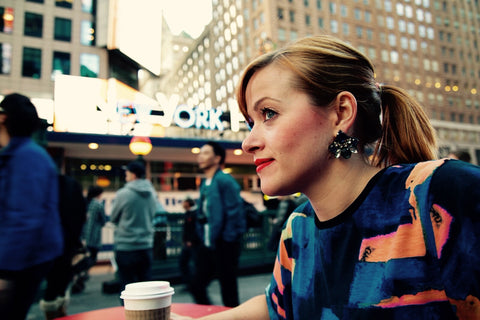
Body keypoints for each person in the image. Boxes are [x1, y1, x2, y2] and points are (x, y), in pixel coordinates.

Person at [171, 35, 480, 319]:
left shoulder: (440, 194)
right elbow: (275, 306)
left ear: (341, 113)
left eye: (268, 113)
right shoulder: (298, 229)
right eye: (250, 122)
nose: (248, 142)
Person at [0, 93, 64, 320]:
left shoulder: (27, 158)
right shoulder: (23, 156)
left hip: (21, 264)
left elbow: (24, 219)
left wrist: (6, 273)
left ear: (3, 119)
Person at [190, 141, 246, 307]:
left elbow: (234, 212)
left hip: (224, 244)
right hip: (208, 244)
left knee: (228, 290)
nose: (201, 156)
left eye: (206, 153)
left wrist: (227, 239)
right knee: (196, 285)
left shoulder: (224, 181)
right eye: (200, 153)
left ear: (217, 158)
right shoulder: (206, 183)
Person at [39, 174, 87, 319]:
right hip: (66, 245)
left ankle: (53, 312)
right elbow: (80, 216)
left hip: (41, 245)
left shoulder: (38, 184)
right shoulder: (71, 185)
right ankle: (59, 311)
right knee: (59, 283)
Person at [110, 159, 157, 295]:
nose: (126, 176)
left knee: (127, 288)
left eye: (127, 173)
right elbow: (153, 214)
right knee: (146, 287)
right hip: (146, 245)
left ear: (133, 175)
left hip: (126, 246)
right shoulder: (152, 193)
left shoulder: (123, 193)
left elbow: (113, 218)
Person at [178, 197, 200, 292]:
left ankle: (191, 283)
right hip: (190, 243)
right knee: (187, 262)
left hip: (192, 243)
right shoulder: (190, 214)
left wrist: (190, 240)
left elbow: (194, 229)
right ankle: (190, 283)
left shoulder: (193, 214)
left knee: (187, 262)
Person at [84, 185, 107, 266]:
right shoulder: (98, 205)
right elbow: (103, 221)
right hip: (94, 236)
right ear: (98, 194)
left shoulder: (86, 203)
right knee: (93, 257)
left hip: (84, 235)